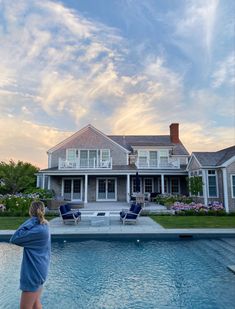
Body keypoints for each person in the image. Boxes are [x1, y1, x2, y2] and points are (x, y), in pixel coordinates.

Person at [10, 200, 51, 309]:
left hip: (33, 273)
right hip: (40, 270)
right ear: (43, 211)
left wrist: (32, 220)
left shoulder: (37, 230)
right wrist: (35, 219)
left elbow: (14, 238)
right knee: (36, 304)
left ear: (31, 211)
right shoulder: (45, 227)